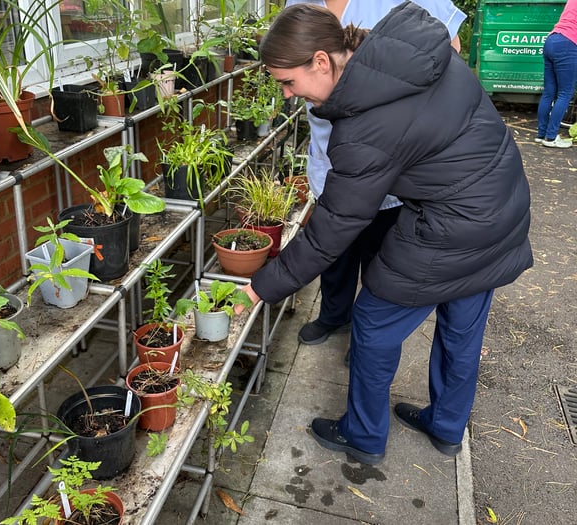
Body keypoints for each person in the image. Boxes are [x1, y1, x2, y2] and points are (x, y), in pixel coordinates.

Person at [238, 2, 533, 464]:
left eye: (288, 83)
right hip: (503, 206)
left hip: (454, 224)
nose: (289, 96)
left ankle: (363, 435)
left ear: (321, 60)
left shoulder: (365, 127)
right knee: (461, 329)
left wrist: (262, 287)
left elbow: (333, 227)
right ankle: (446, 426)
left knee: (373, 324)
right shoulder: (407, 52)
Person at [284, 0, 466, 353]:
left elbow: (449, 51)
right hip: (329, 154)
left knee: (380, 255)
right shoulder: (300, 2)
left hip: (387, 161)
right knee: (335, 248)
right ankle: (335, 314)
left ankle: (369, 334)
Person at [536, 0, 577, 148]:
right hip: (569, 42)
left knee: (548, 92)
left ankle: (541, 134)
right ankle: (551, 137)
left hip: (552, 39)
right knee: (565, 93)